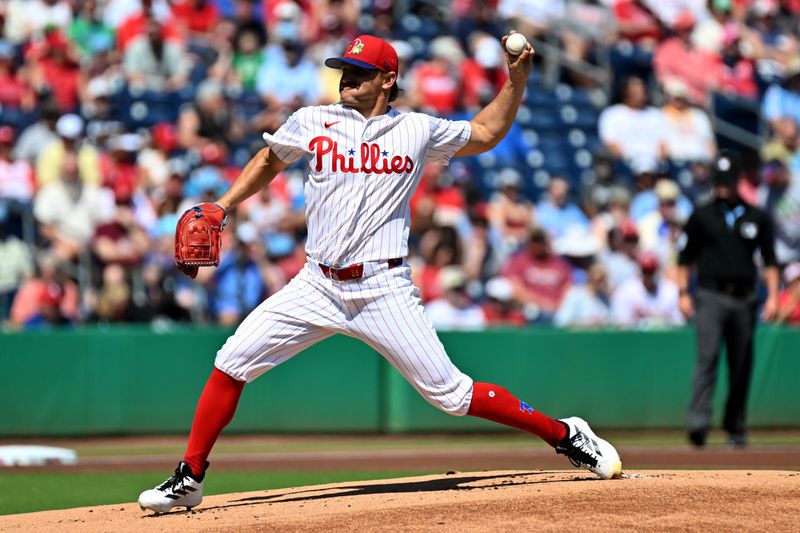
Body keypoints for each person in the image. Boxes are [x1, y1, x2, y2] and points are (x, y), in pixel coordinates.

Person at [138, 33, 622, 514]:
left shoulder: (416, 129)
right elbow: (269, 159)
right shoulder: (313, 120)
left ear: (389, 79)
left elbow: (486, 133)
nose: (347, 78)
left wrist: (514, 82)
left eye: (361, 72)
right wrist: (224, 205)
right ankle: (191, 477)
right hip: (316, 283)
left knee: (452, 395)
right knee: (231, 362)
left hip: (382, 287)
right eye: (344, 69)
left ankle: (565, 434)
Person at [678, 150, 780, 449]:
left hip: (745, 298)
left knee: (741, 363)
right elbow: (685, 257)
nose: (723, 186)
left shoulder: (756, 216)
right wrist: (684, 293)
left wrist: (773, 296)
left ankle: (736, 426)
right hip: (710, 295)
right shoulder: (702, 215)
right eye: (719, 180)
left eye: (728, 180)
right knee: (707, 359)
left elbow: (770, 261)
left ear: (738, 180)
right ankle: (698, 424)